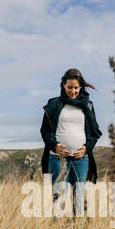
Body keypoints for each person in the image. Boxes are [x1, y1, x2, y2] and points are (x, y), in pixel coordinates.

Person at [40, 68, 102, 217]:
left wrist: (87, 148)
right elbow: (45, 131)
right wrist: (54, 145)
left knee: (78, 199)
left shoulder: (88, 105)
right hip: (57, 158)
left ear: (80, 87)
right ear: (63, 85)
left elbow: (94, 134)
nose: (73, 91)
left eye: (76, 87)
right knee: (59, 198)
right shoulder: (54, 104)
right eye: (69, 87)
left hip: (81, 159)